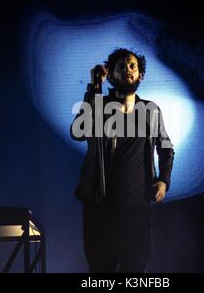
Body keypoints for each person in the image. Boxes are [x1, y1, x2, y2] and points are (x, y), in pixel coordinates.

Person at [70, 48, 175, 272]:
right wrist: (93, 88)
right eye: (121, 66)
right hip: (100, 211)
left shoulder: (150, 111)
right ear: (111, 74)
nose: (127, 69)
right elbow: (78, 132)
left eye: (132, 66)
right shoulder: (99, 104)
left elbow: (166, 148)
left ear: (140, 75)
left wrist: (164, 180)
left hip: (136, 212)